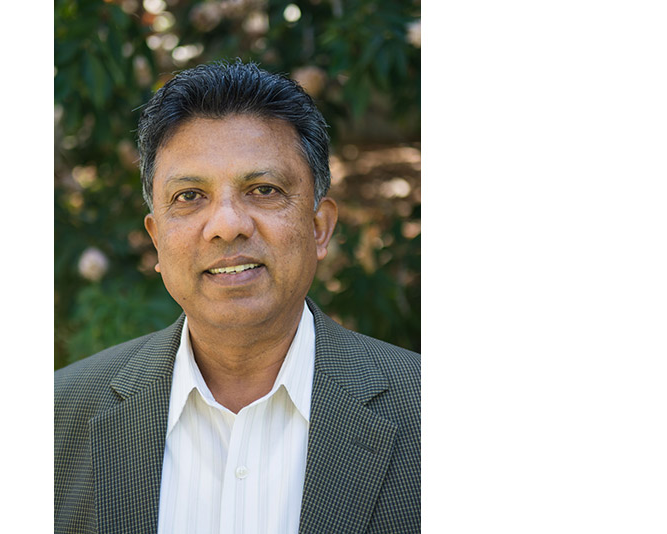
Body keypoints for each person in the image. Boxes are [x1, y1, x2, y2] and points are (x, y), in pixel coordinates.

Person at [55, 61, 420, 534]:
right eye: (190, 196)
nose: (227, 225)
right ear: (157, 239)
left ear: (319, 228)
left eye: (263, 190)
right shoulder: (57, 419)